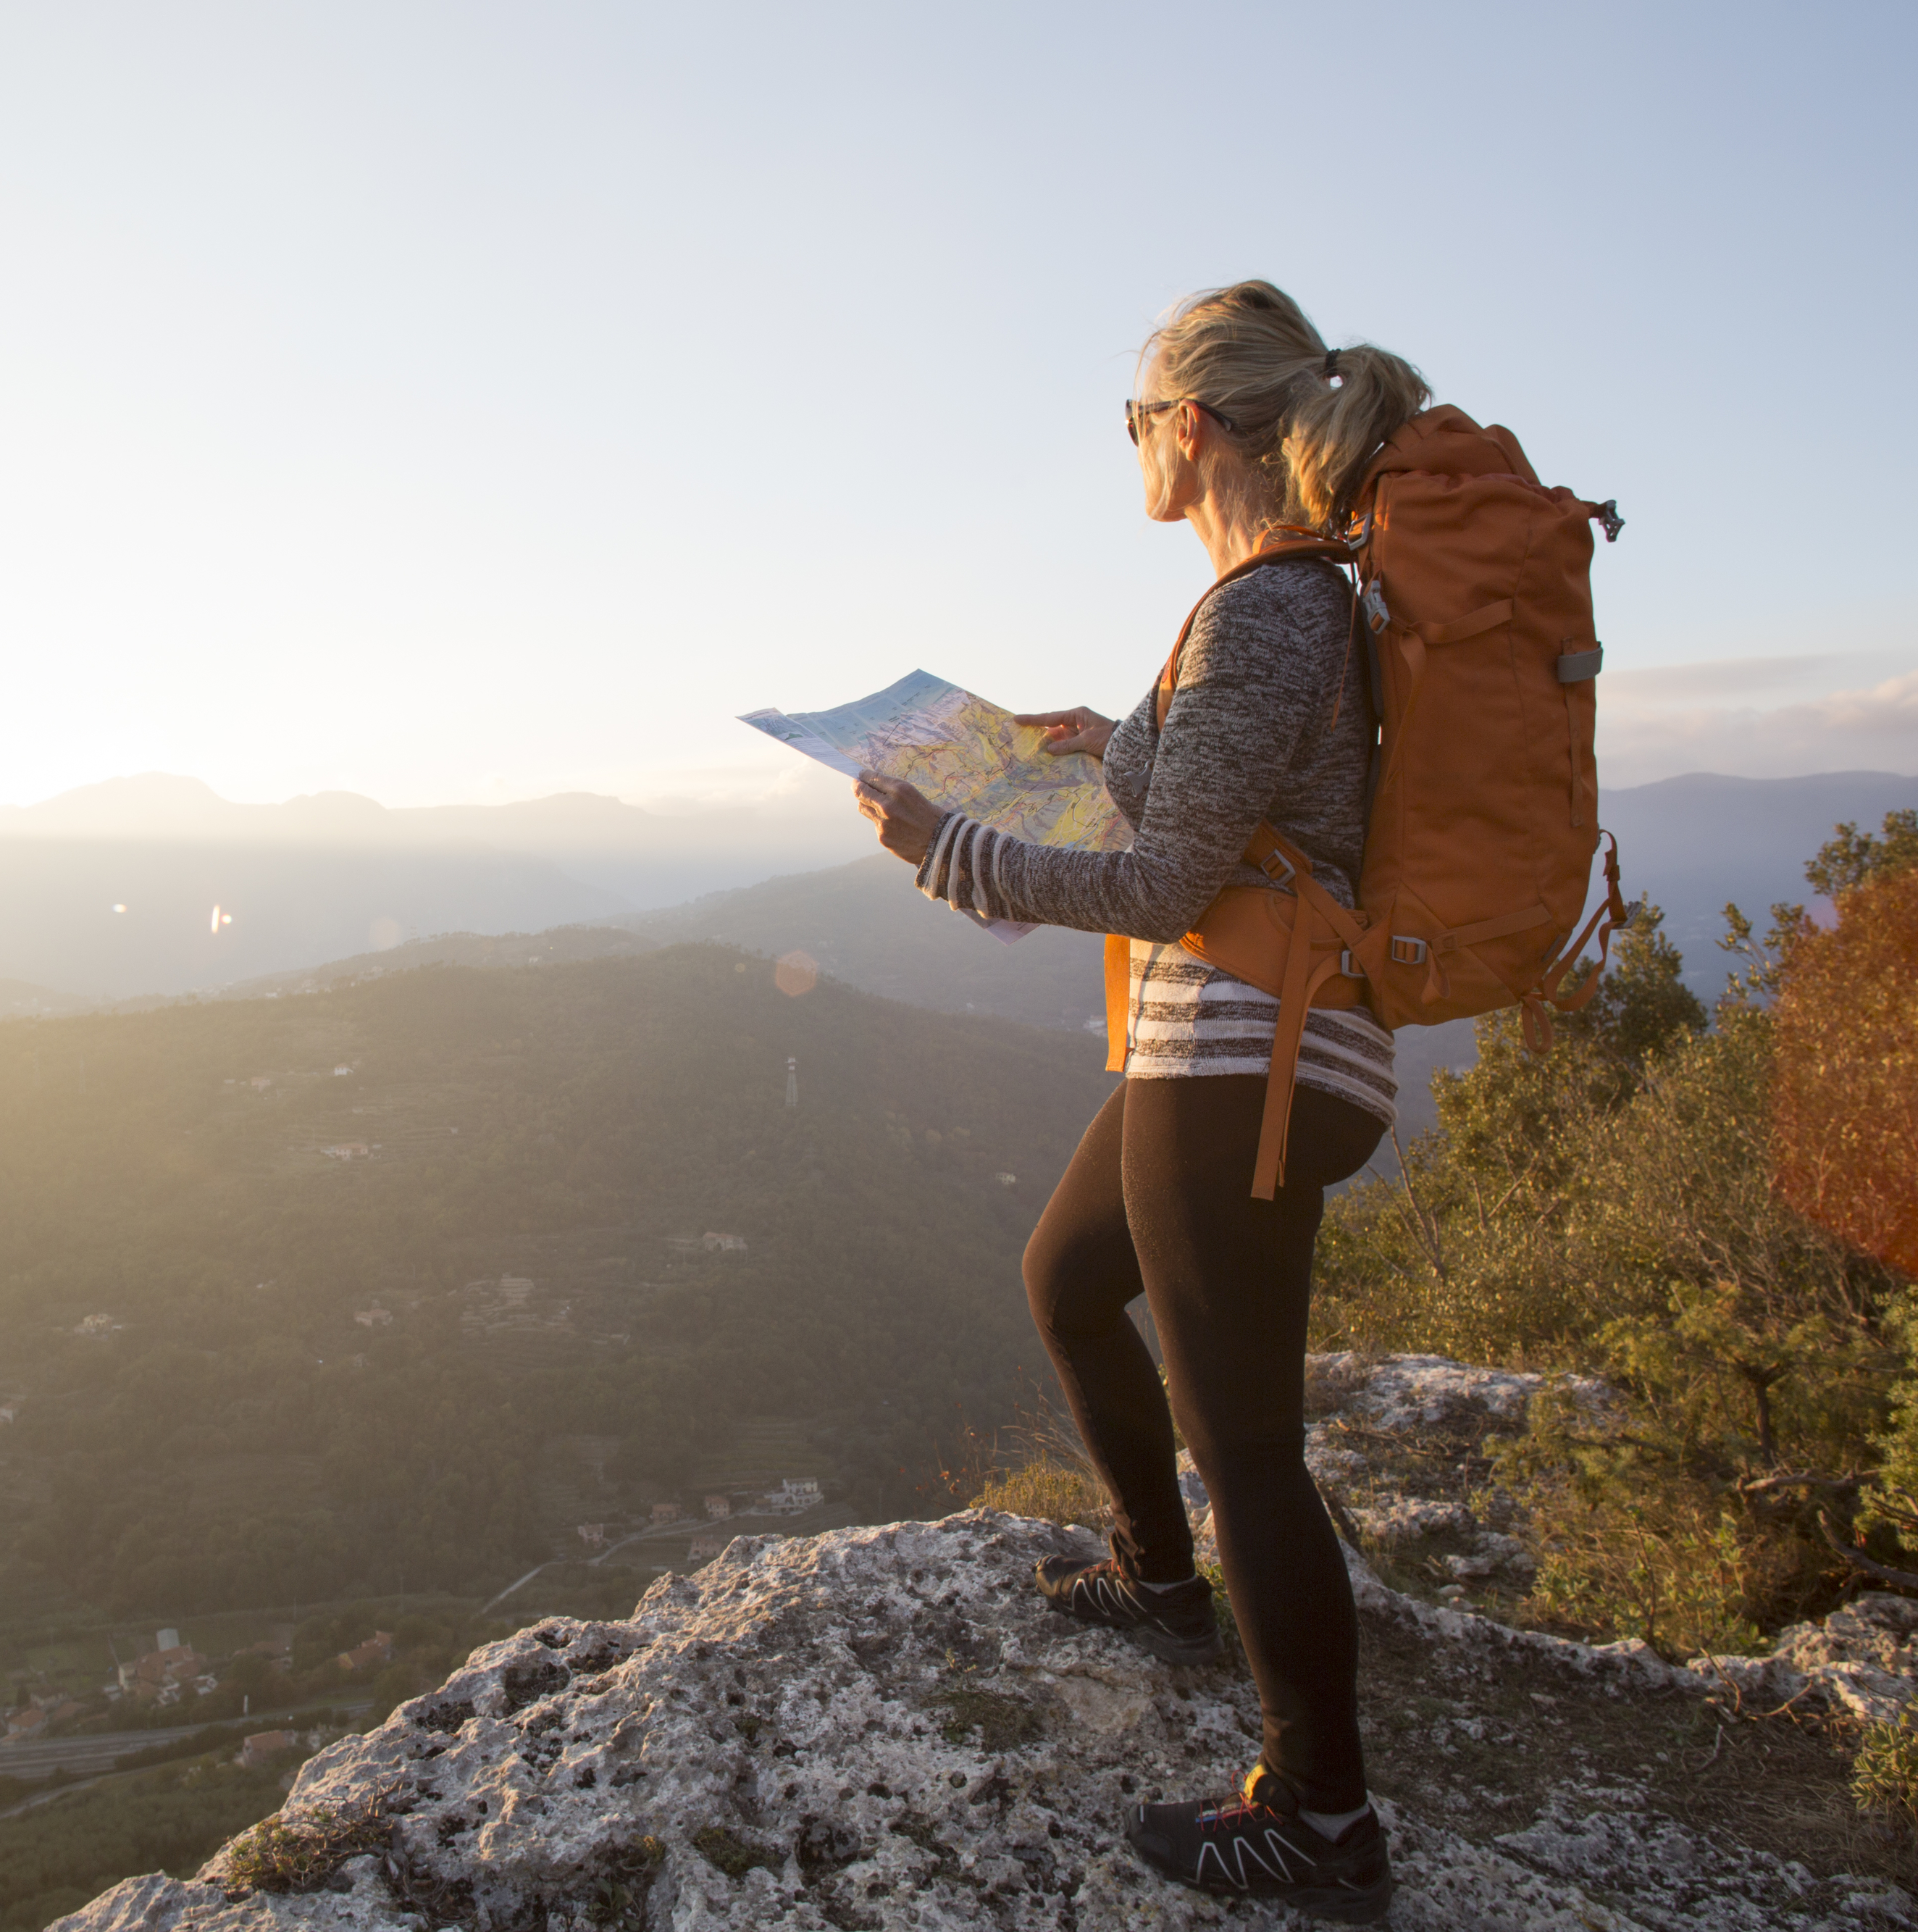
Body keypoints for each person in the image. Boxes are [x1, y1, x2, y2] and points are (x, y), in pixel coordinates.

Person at [853, 280, 1424, 1926]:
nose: (1130, 453)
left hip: (1247, 1059)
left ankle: (1321, 1818)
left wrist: (947, 847)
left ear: (1187, 428)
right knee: (1062, 1279)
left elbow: (1174, 874)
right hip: (1231, 1048)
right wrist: (1116, 736)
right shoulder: (1286, 605)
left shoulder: (1266, 608)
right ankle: (1159, 1581)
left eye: (1131, 423)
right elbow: (1239, 809)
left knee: (1245, 1441)